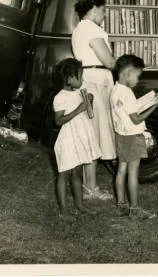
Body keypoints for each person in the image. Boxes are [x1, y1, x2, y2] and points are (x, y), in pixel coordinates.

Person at [72, 0, 116, 200]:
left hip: (88, 79)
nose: (104, 14)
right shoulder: (92, 29)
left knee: (90, 133)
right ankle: (91, 189)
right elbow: (109, 61)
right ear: (93, 9)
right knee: (96, 134)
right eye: (103, 10)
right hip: (96, 81)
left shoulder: (79, 29)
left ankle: (88, 185)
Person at [110, 54, 158, 220]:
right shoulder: (126, 93)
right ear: (128, 72)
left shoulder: (115, 89)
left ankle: (121, 205)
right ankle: (135, 209)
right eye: (137, 76)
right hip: (133, 136)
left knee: (121, 170)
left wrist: (141, 104)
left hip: (121, 135)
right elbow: (136, 119)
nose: (138, 80)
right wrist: (154, 105)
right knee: (133, 172)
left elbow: (127, 112)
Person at [52, 58, 99, 220]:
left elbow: (88, 115)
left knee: (77, 173)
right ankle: (63, 211)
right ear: (69, 78)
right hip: (67, 141)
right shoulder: (60, 97)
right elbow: (58, 121)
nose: (83, 79)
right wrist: (79, 109)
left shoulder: (80, 92)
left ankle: (79, 205)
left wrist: (89, 103)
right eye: (80, 76)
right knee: (63, 175)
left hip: (79, 138)